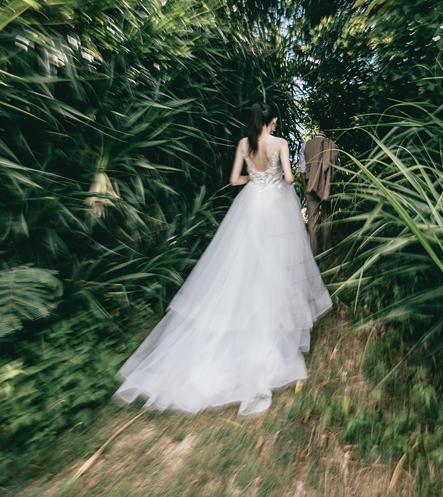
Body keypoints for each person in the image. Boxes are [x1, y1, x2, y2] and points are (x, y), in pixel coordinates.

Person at [114, 102, 332, 416]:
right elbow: (287, 178)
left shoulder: (244, 144)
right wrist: (275, 182)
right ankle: (271, 332)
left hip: (249, 206)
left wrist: (255, 181)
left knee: (241, 269)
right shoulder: (281, 143)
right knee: (275, 269)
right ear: (272, 121)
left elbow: (234, 180)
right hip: (273, 208)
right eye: (274, 121)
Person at [298, 120, 338, 256]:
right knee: (327, 217)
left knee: (312, 220)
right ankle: (327, 249)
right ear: (330, 131)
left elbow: (302, 169)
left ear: (319, 129)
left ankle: (314, 252)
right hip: (327, 187)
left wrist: (305, 187)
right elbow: (336, 168)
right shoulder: (334, 147)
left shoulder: (306, 145)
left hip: (310, 186)